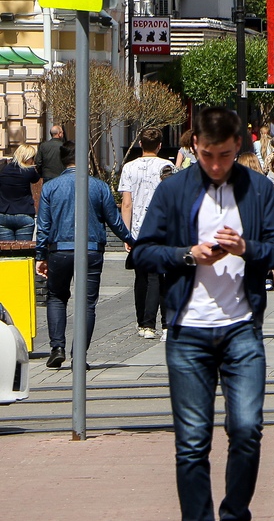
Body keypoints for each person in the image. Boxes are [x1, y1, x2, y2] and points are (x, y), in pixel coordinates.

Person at [132, 106, 274, 521]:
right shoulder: (174, 190)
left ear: (238, 145)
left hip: (241, 329)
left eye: (224, 155)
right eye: (206, 155)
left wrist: (246, 248)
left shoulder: (257, 189)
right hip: (188, 331)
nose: (216, 165)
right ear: (194, 147)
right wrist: (188, 254)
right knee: (192, 441)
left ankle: (235, 513)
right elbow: (143, 252)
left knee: (246, 430)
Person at [35, 141, 131, 368]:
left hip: (60, 249)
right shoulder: (99, 187)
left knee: (57, 297)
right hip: (91, 248)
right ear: (86, 159)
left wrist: (41, 254)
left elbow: (44, 225)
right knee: (87, 304)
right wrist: (130, 239)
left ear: (62, 160)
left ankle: (57, 347)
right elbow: (114, 220)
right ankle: (79, 355)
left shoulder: (51, 187)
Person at [120, 129, 175, 340]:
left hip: (138, 229)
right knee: (163, 276)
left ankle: (145, 323)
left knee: (143, 277)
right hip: (163, 227)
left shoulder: (129, 167)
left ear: (141, 144)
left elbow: (127, 202)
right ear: (160, 145)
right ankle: (167, 324)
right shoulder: (168, 167)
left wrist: (126, 233)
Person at [0, 143, 39, 241]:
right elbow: (36, 179)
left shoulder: (3, 169)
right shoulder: (29, 171)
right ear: (28, 157)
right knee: (24, 253)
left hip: (4, 212)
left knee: (7, 253)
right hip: (24, 213)